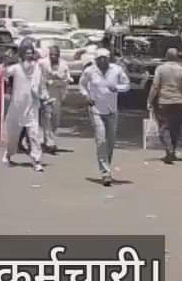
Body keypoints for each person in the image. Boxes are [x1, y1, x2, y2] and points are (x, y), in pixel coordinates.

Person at [79, 49, 131, 186]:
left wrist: (117, 88)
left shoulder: (117, 70)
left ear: (109, 59)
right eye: (100, 58)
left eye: (105, 58)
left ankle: (105, 164)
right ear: (96, 60)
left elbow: (127, 85)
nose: (103, 61)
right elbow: (82, 85)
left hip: (112, 110)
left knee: (110, 141)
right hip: (96, 109)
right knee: (101, 139)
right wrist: (87, 96)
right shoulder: (90, 71)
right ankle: (105, 173)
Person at [3, 39, 46, 172]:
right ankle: (9, 154)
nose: (28, 55)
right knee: (13, 136)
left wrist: (45, 98)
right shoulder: (16, 68)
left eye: (30, 52)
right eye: (26, 53)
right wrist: (6, 61)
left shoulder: (37, 68)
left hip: (32, 106)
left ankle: (36, 160)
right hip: (17, 107)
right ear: (21, 54)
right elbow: (2, 73)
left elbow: (41, 85)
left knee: (34, 134)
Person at [148, 48, 182, 164]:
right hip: (178, 102)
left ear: (166, 56)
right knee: (175, 128)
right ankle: (172, 150)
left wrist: (149, 100)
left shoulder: (161, 69)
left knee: (163, 126)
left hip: (163, 102)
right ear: (177, 57)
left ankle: (168, 148)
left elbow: (155, 86)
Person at [39, 44, 69, 154]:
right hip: (45, 92)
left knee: (55, 119)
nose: (53, 57)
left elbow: (67, 79)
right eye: (51, 54)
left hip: (57, 93)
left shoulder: (64, 65)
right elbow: (37, 77)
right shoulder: (42, 63)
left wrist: (60, 82)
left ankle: (47, 138)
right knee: (47, 117)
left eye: (55, 55)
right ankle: (50, 142)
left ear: (59, 55)